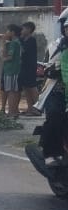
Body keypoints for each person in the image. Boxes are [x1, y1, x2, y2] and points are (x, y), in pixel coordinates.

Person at [37, 11, 68, 166]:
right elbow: (45, 68)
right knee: (55, 116)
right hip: (58, 90)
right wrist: (53, 70)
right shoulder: (56, 46)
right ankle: (50, 153)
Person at [1, 23, 23, 117]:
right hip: (12, 70)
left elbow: (9, 57)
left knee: (11, 91)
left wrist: (3, 57)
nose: (6, 33)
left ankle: (11, 111)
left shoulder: (14, 43)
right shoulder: (15, 42)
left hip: (11, 70)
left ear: (12, 32)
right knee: (13, 91)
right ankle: (14, 110)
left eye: (8, 31)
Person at [19, 21, 40, 116]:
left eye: (23, 29)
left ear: (29, 29)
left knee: (32, 87)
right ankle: (30, 108)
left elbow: (24, 51)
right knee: (26, 87)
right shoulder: (23, 40)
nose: (22, 31)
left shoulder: (31, 40)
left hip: (30, 67)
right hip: (23, 67)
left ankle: (38, 108)